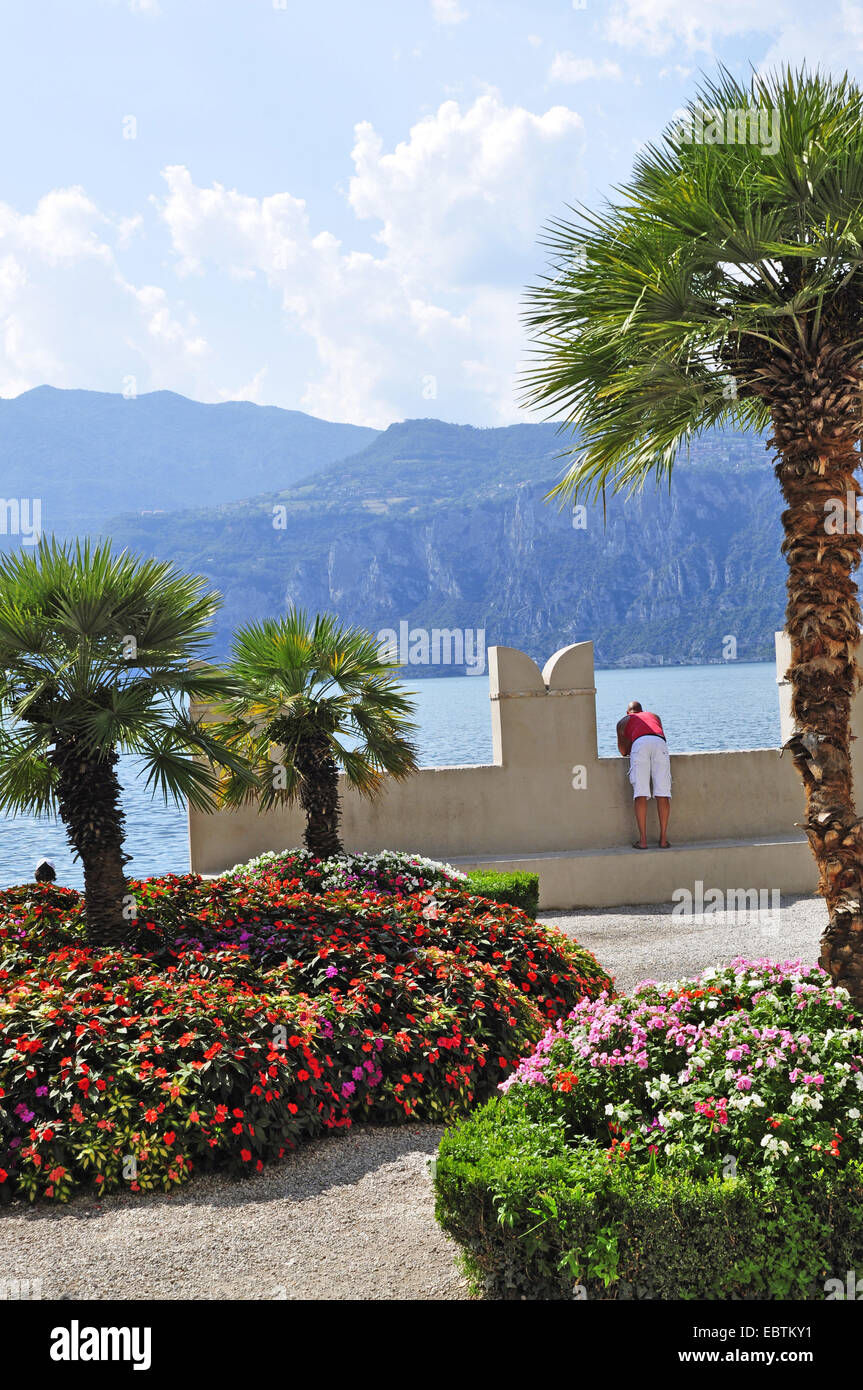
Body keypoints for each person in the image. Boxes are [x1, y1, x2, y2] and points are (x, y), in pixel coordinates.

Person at [616, 701, 671, 850]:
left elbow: (623, 751)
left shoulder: (624, 721)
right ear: (643, 711)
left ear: (628, 713)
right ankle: (664, 840)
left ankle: (643, 841)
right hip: (660, 743)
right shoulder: (654, 716)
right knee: (663, 793)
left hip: (640, 744)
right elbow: (658, 733)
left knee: (640, 793)